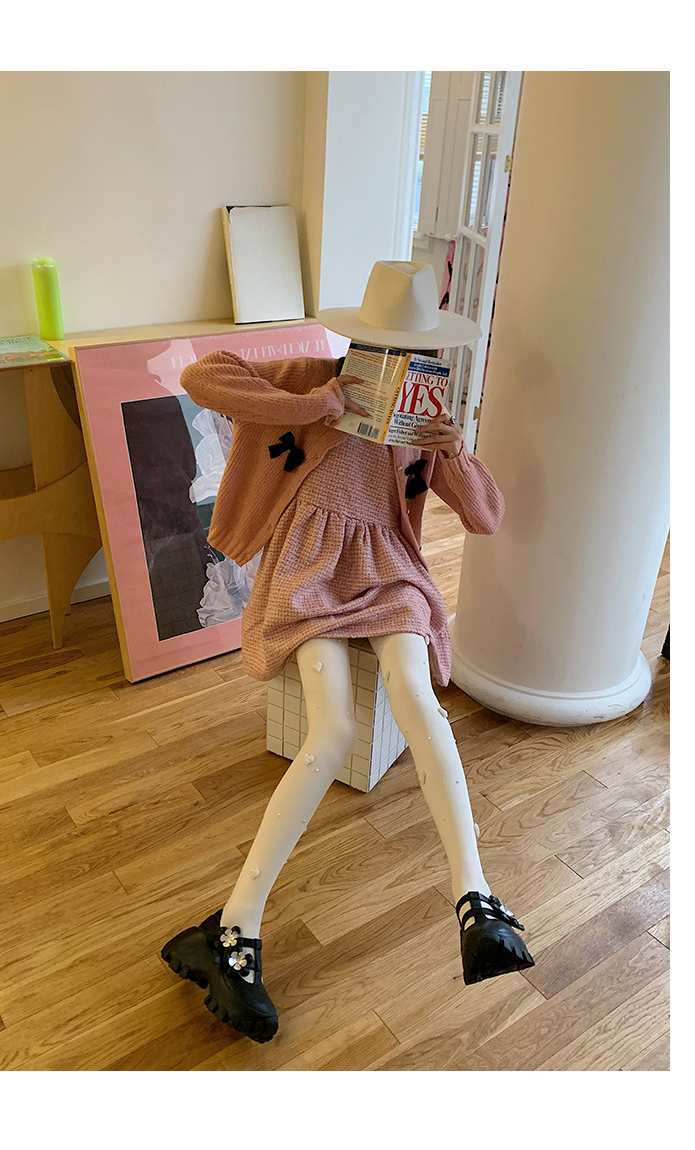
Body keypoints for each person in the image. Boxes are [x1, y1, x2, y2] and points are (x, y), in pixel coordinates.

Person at [161, 262, 534, 1043]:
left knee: (415, 692)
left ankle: (477, 900)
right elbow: (202, 376)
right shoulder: (311, 377)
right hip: (310, 568)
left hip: (388, 569)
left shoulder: (422, 414)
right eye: (382, 345)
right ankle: (236, 928)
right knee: (329, 732)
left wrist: (454, 451)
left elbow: (487, 517)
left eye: (409, 348)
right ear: (358, 338)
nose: (395, 360)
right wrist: (320, 404)